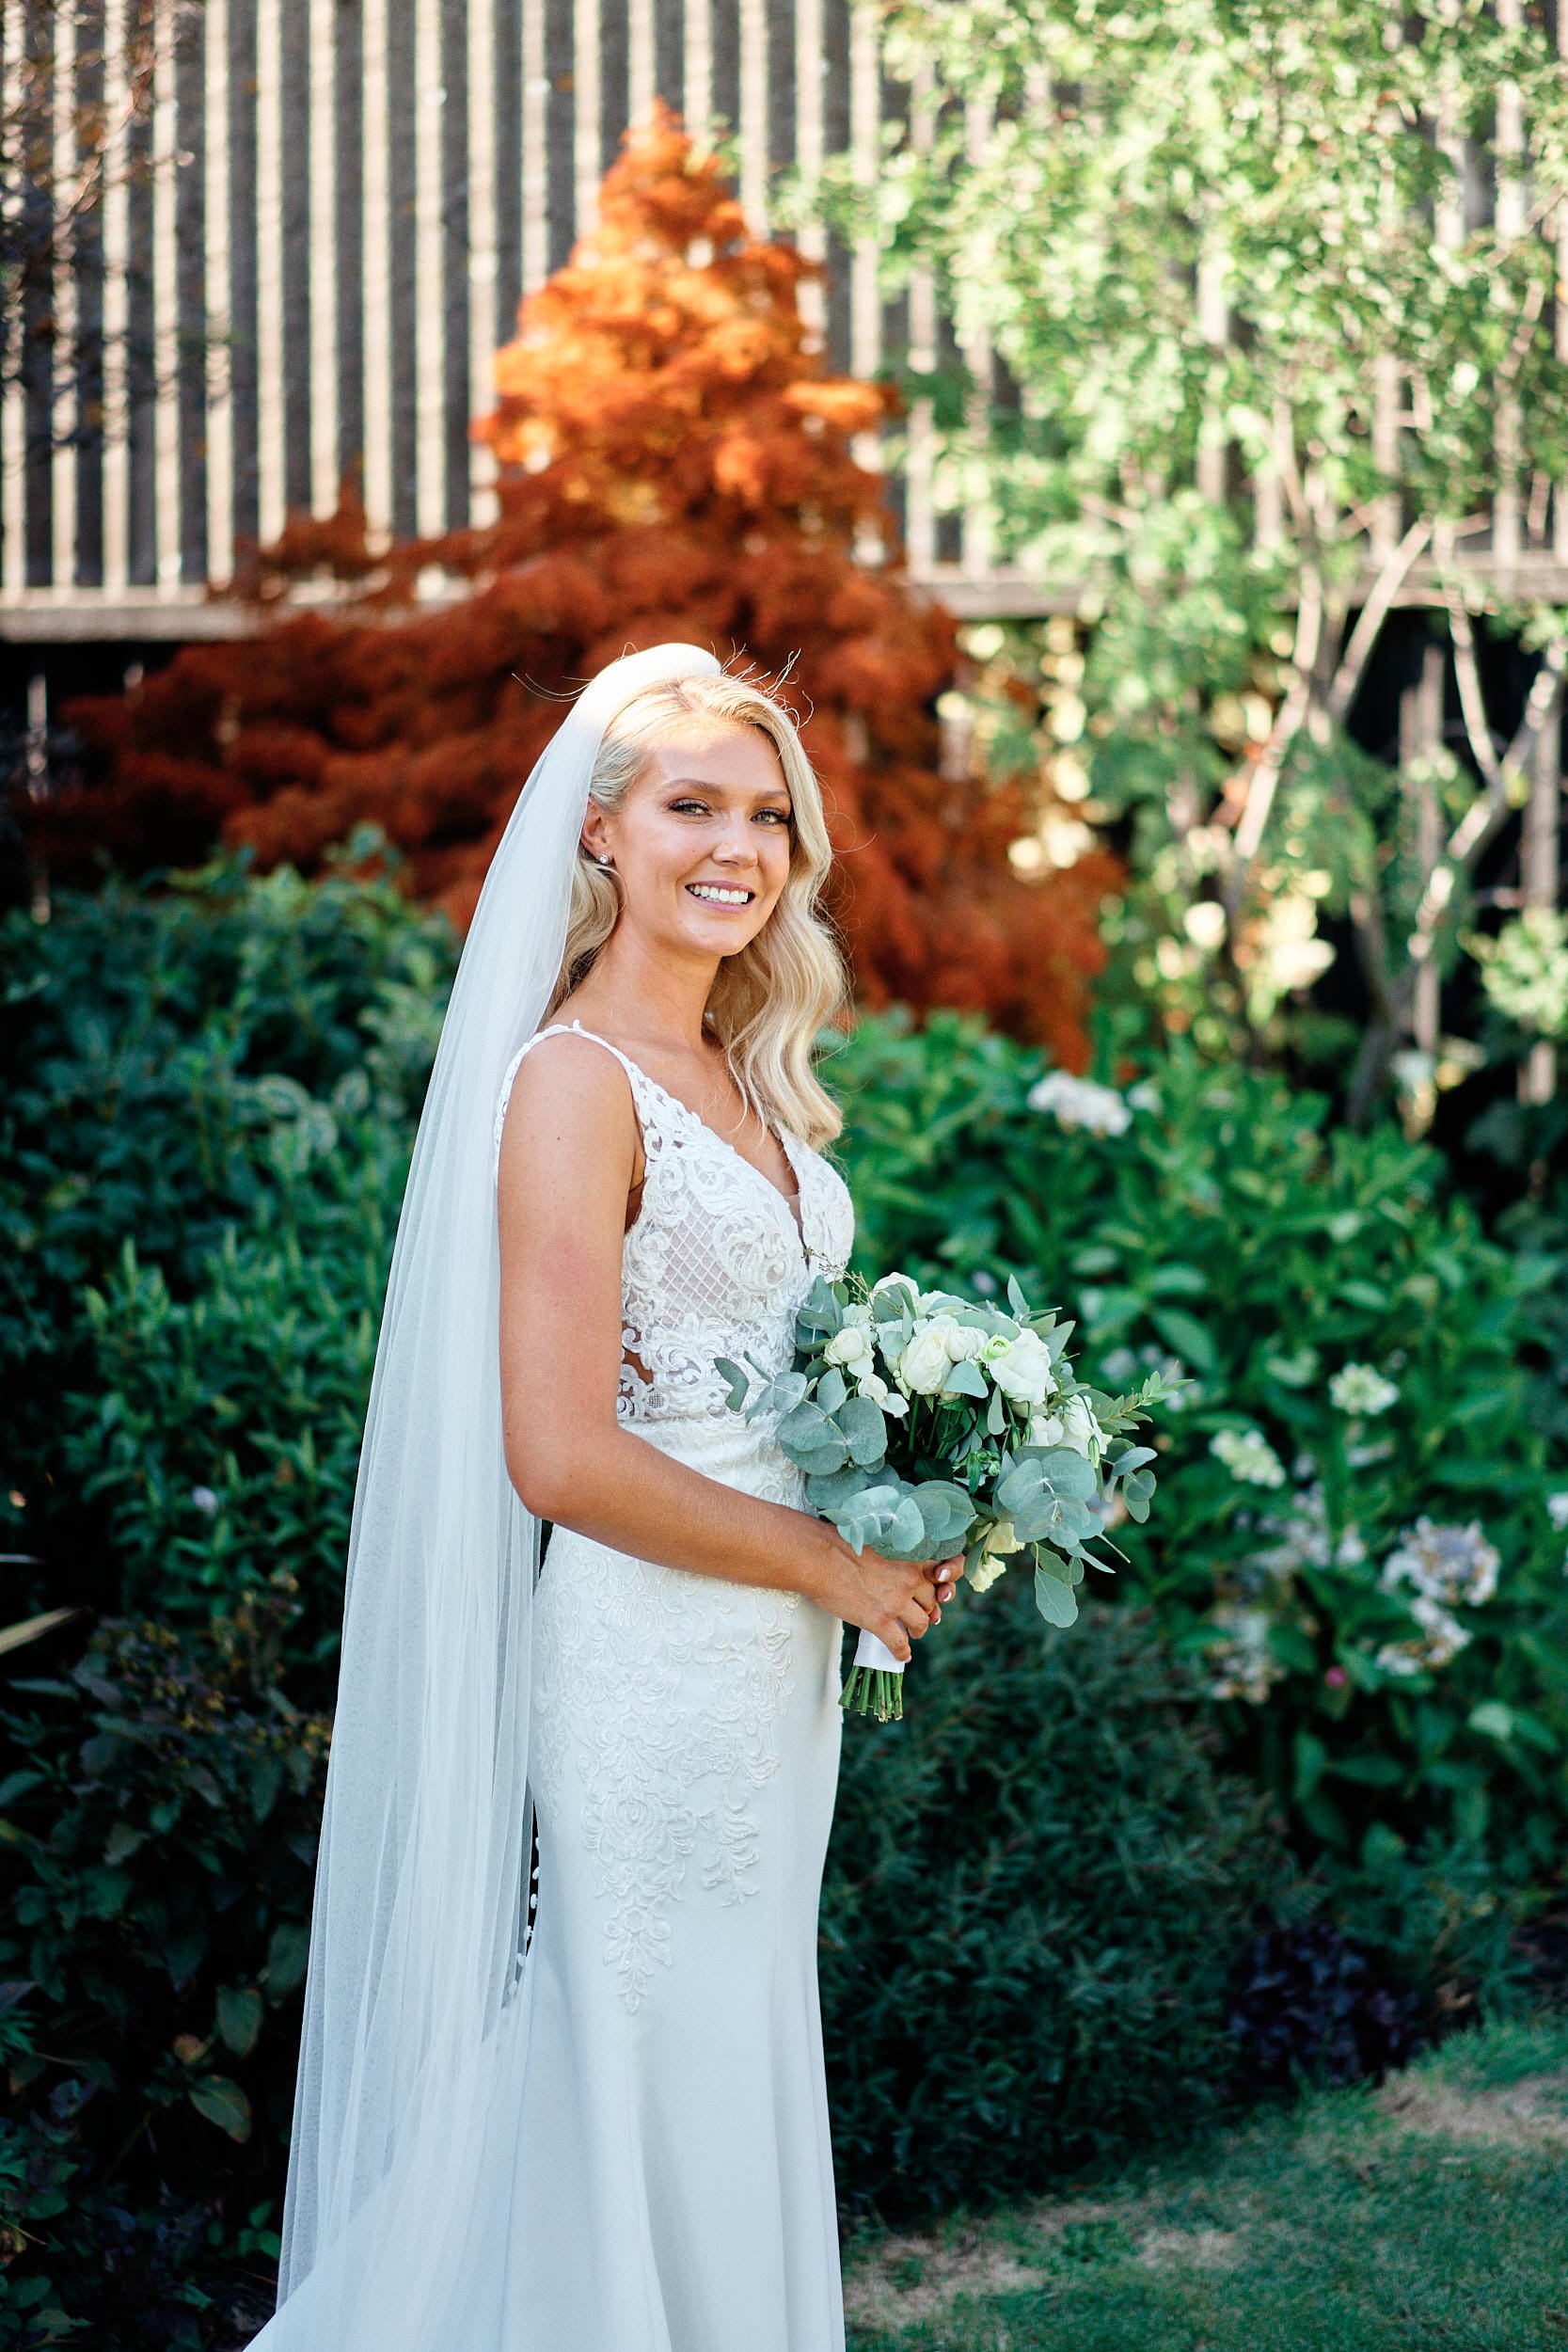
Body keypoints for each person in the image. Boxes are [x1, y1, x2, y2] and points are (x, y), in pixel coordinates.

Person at [250, 644, 961, 2352]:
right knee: (624, 2036)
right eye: (693, 806)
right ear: (602, 836)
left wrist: (915, 1493)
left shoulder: (754, 1075)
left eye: (770, 815)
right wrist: (827, 1559)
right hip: (649, 1659)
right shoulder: (574, 1085)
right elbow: (556, 1454)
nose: (740, 846)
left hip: (771, 1670)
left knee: (717, 2047)